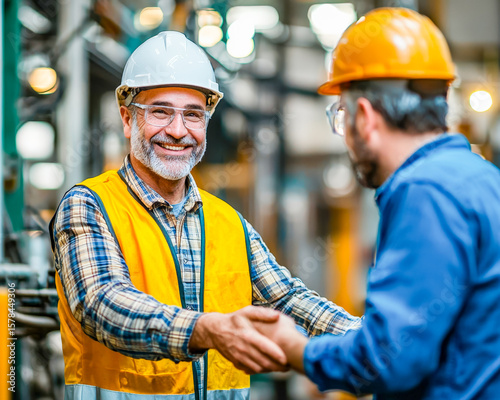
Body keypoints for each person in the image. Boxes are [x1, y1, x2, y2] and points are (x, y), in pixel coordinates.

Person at [50, 31, 362, 400]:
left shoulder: (228, 222)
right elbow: (102, 301)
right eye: (161, 111)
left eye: (193, 115)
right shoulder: (89, 205)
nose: (178, 131)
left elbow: (288, 301)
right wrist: (206, 330)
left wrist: (375, 340)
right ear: (127, 118)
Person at [255, 7, 500, 399]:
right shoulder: (484, 179)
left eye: (342, 117)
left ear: (364, 116)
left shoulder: (425, 191)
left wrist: (296, 349)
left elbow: (389, 360)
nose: (345, 134)